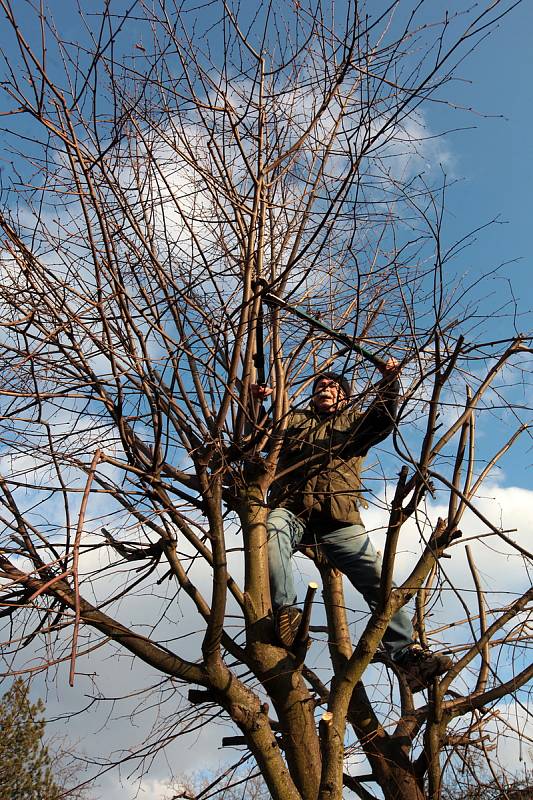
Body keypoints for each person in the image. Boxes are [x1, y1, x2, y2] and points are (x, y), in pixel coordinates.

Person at [251, 361, 452, 691]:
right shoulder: (293, 420)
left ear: (344, 397)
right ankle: (285, 614)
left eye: (333, 386)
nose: (325, 389)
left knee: (376, 574)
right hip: (291, 508)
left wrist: (390, 384)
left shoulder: (353, 422)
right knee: (270, 532)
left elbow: (381, 421)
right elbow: (258, 439)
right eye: (320, 386)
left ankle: (406, 655)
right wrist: (258, 403)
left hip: (338, 519)